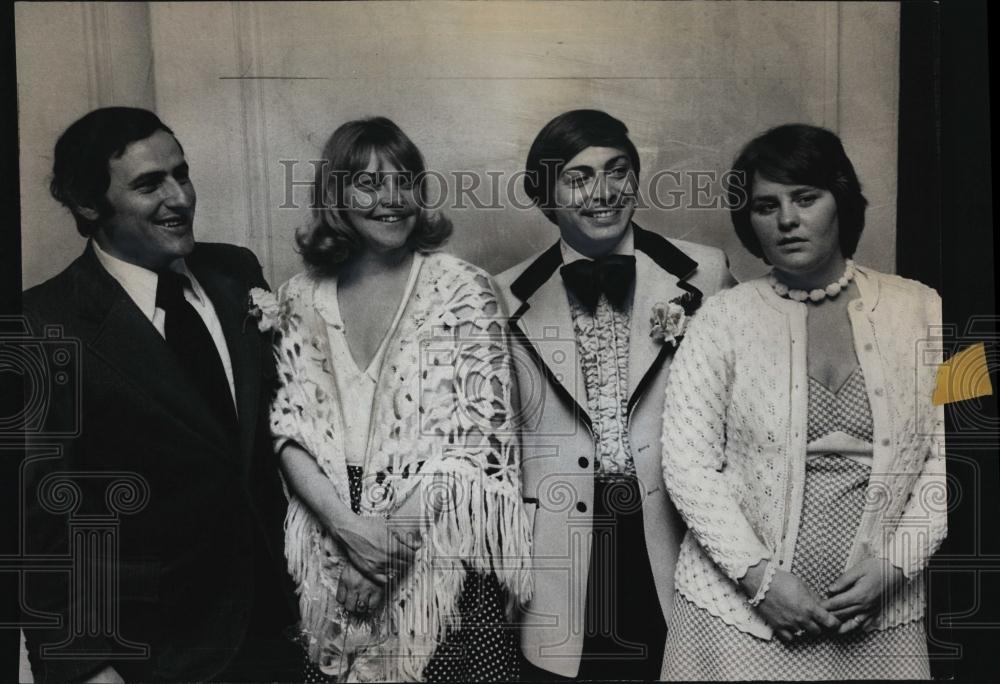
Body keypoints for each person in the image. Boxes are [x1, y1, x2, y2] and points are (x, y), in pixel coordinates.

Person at [20, 107, 300, 682]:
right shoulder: (42, 325)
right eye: (150, 184)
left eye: (182, 173)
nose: (180, 197)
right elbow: (40, 527)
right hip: (156, 653)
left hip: (283, 626)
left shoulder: (234, 270)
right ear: (87, 204)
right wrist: (88, 668)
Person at [659, 123, 946, 680]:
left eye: (805, 198)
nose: (786, 220)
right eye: (766, 207)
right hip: (734, 618)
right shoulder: (720, 317)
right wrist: (762, 581)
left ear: (841, 200)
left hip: (881, 619)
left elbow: (961, 458)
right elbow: (686, 464)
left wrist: (895, 566)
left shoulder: (932, 310)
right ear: (750, 222)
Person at [268, 116, 532, 682]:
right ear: (336, 194)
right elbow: (287, 432)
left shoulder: (461, 288)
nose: (390, 199)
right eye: (367, 183)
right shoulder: (299, 295)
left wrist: (386, 547)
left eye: (403, 182)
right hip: (330, 533)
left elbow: (477, 442)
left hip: (435, 533)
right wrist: (347, 529)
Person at [494, 109, 736, 680]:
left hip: (677, 537)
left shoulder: (704, 272)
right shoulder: (502, 296)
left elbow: (743, 411)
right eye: (578, 178)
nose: (602, 193)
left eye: (617, 171)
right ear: (545, 195)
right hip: (559, 550)